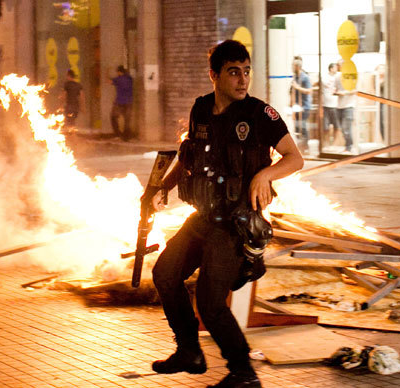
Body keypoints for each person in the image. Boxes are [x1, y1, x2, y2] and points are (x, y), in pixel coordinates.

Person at [150, 40, 303, 388]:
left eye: (246, 71)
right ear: (214, 75)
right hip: (202, 219)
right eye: (234, 72)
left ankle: (243, 373)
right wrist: (163, 186)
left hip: (235, 226)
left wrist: (266, 174)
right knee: (165, 274)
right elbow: (188, 156)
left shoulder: (260, 114)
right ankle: (189, 351)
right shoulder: (201, 109)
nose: (242, 79)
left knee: (209, 301)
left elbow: (295, 158)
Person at [290, 56, 313, 153]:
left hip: (304, 106)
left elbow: (309, 91)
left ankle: (305, 147)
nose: (292, 67)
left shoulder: (305, 78)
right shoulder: (295, 77)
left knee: (302, 126)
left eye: (293, 66)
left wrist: (297, 87)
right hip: (297, 107)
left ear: (297, 66)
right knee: (297, 126)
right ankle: (301, 146)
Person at [334, 60, 357, 153]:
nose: (339, 66)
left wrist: (344, 93)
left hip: (349, 106)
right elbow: (335, 88)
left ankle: (349, 146)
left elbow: (355, 90)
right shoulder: (337, 76)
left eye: (340, 65)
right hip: (339, 106)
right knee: (343, 129)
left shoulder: (350, 76)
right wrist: (336, 92)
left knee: (346, 128)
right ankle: (347, 146)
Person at [111, 65, 133, 140]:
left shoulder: (118, 79)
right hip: (129, 101)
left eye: (117, 72)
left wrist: (106, 72)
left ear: (119, 72)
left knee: (113, 117)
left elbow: (109, 81)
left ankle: (117, 134)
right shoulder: (129, 78)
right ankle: (127, 137)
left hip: (119, 101)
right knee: (127, 119)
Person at [321, 62, 341, 149]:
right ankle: (326, 144)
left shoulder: (339, 77)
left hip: (336, 105)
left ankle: (334, 145)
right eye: (335, 67)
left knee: (337, 126)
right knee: (326, 127)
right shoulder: (324, 77)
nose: (337, 69)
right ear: (331, 68)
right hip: (326, 105)